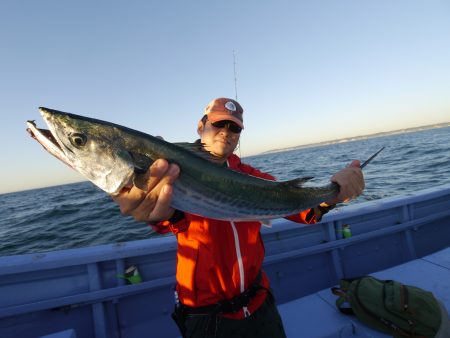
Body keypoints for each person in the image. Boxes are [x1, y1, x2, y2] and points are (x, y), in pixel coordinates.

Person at [113, 98, 365, 338]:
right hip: (206, 314)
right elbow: (170, 220)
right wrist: (157, 212)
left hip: (259, 301)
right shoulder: (172, 168)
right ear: (201, 126)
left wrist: (332, 194)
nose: (226, 131)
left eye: (234, 127)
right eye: (219, 124)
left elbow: (295, 207)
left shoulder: (251, 177)